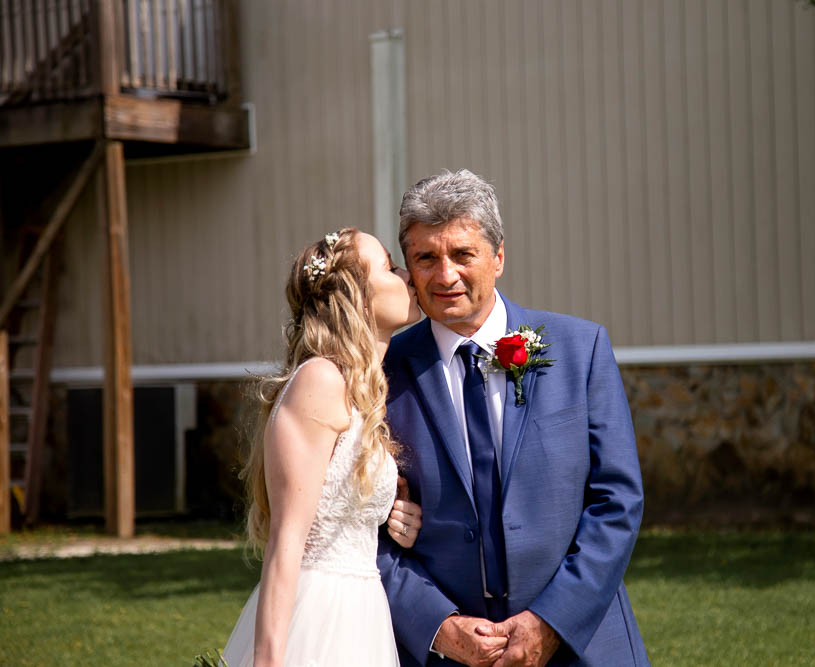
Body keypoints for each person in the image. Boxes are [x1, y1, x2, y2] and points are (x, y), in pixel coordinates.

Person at [378, 170, 649, 666]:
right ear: (409, 268)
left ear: (498, 257)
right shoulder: (380, 372)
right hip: (445, 655)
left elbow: (617, 501)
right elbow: (357, 532)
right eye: (426, 258)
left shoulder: (581, 349)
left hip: (581, 645)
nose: (445, 276)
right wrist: (438, 626)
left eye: (463, 254)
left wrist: (551, 622)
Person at [223, 229, 425, 667]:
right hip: (317, 616)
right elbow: (287, 538)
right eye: (390, 267)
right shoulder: (320, 380)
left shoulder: (358, 389)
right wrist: (269, 660)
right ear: (357, 297)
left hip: (363, 615)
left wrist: (394, 510)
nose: (408, 275)